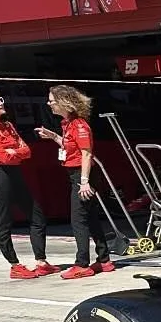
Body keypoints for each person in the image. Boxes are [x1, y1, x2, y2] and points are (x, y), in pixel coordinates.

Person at [0, 88, 58, 280]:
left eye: (0, 99)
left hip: (14, 172)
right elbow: (2, 156)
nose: (1, 103)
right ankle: (15, 265)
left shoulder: (8, 125)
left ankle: (41, 261)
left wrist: (14, 152)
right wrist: (14, 152)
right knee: (4, 220)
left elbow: (27, 151)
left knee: (37, 215)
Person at [35, 84, 114, 279]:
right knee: (91, 217)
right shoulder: (68, 124)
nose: (49, 104)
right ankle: (104, 259)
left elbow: (86, 154)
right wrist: (53, 136)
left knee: (78, 220)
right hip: (78, 175)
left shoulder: (79, 126)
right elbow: (70, 146)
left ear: (64, 102)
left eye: (52, 101)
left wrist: (84, 182)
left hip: (82, 175)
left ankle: (82, 264)